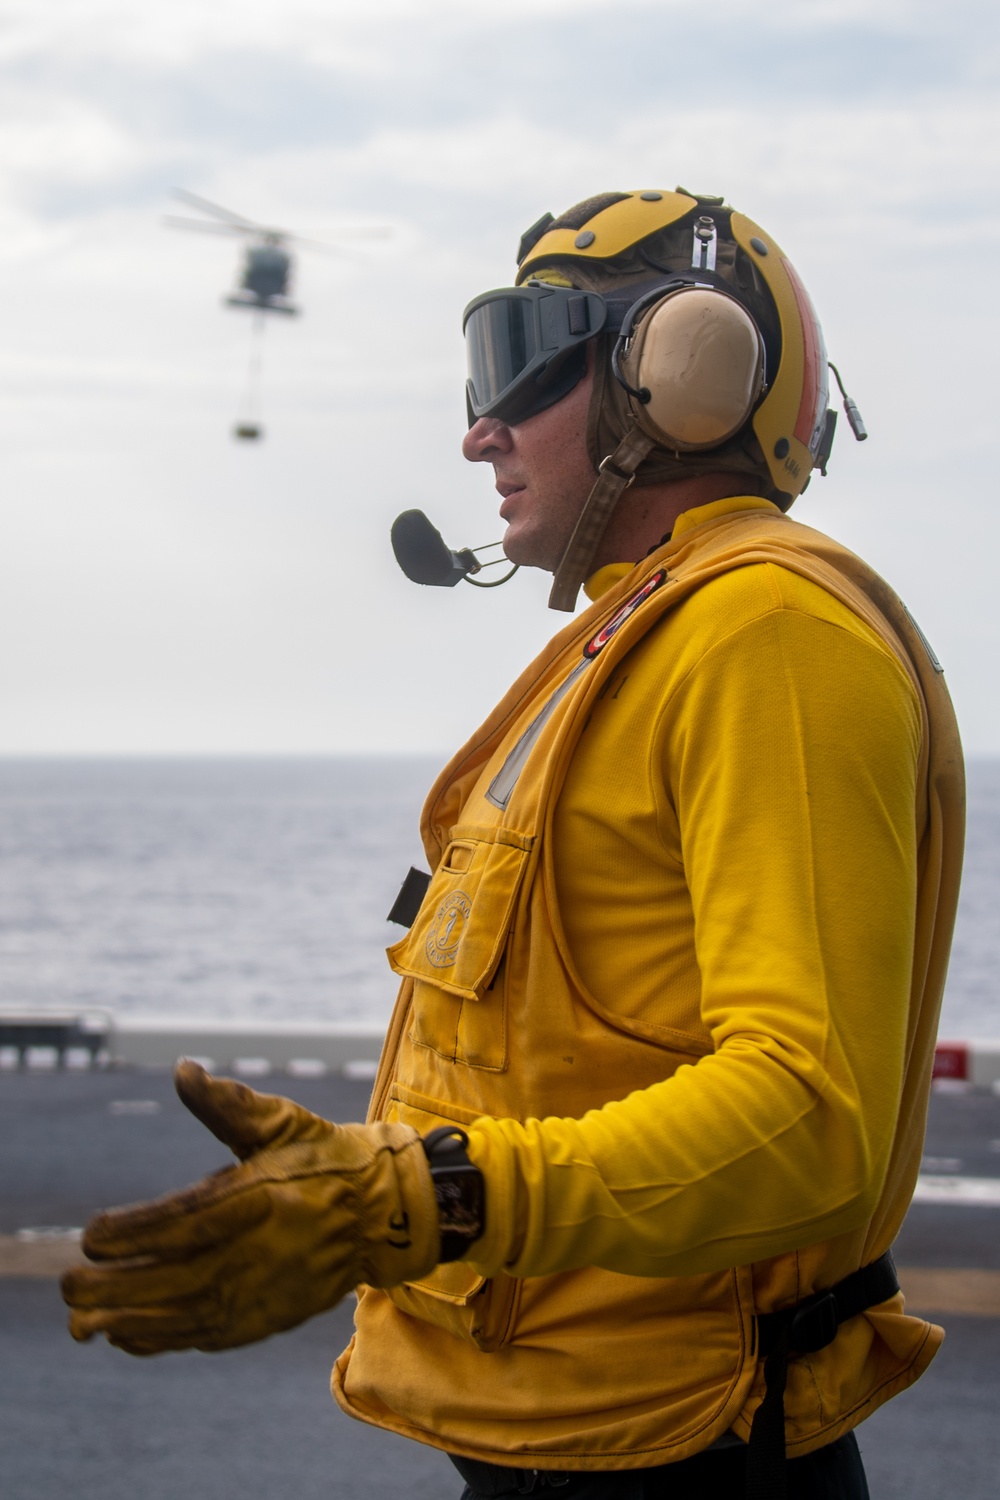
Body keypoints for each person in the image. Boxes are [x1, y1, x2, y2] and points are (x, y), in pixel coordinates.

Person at [62, 188, 965, 1500]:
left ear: (680, 371)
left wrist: (416, 1196)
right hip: (578, 1442)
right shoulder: (646, 636)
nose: (478, 428)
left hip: (685, 1458)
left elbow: (810, 1119)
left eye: (517, 357)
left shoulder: (768, 635)